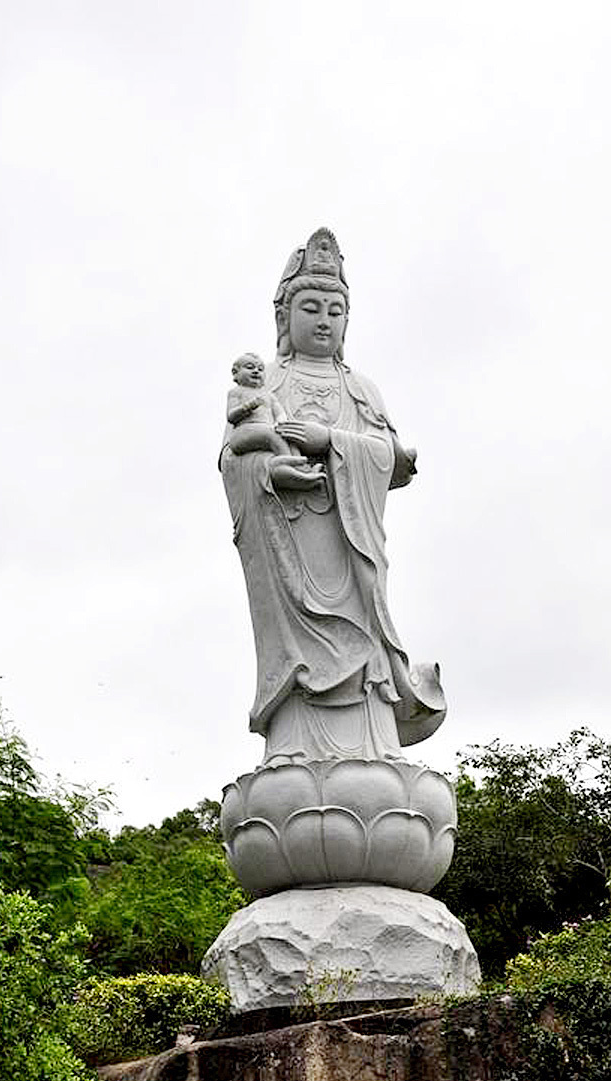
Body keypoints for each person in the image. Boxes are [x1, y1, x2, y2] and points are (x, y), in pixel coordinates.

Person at [220, 228, 445, 764]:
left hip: (350, 539)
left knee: (363, 636)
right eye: (311, 308)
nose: (324, 320)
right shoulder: (265, 385)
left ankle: (374, 739)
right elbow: (233, 457)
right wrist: (272, 471)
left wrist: (332, 442)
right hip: (290, 540)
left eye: (335, 311)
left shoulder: (360, 388)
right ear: (284, 318)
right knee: (299, 643)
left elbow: (391, 457)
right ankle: (293, 741)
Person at [227, 352, 325, 487]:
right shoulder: (237, 392)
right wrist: (247, 407)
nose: (256, 371)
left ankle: (302, 467)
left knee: (289, 436)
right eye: (250, 367)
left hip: (266, 430)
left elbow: (279, 412)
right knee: (272, 435)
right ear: (235, 373)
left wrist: (282, 422)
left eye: (260, 369)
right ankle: (289, 465)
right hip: (243, 432)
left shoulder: (268, 395)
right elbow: (231, 416)